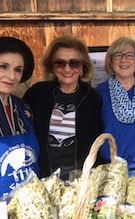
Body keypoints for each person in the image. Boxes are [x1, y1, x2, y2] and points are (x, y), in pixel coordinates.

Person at [23, 35, 103, 180]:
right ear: (51, 67)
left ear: (83, 67)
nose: (67, 69)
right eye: (60, 63)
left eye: (74, 63)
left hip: (81, 181)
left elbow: (99, 139)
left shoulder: (92, 97)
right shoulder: (37, 94)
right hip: (43, 179)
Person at [0, 36, 39, 203]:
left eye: (18, 69)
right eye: (3, 67)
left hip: (28, 205)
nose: (12, 75)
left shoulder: (24, 108)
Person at [96, 37, 135, 179]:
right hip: (112, 171)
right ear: (111, 61)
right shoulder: (100, 92)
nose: (124, 60)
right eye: (118, 55)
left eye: (129, 55)